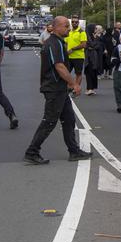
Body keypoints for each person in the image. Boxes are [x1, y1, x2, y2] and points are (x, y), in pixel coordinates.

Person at [24, 16, 92, 165]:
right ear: (55, 27)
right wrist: (74, 83)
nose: (68, 28)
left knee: (68, 120)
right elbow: (59, 66)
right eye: (66, 26)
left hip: (59, 88)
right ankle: (32, 151)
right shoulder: (54, 43)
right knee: (49, 121)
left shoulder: (59, 42)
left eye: (68, 26)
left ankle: (74, 151)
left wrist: (67, 84)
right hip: (54, 88)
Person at [65, 16, 87, 88]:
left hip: (78, 56)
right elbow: (65, 43)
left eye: (76, 22)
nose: (74, 23)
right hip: (69, 56)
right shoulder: (69, 32)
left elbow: (83, 44)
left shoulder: (81, 32)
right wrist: (65, 51)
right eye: (73, 22)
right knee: (66, 73)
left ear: (78, 23)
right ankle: (69, 86)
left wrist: (73, 49)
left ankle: (76, 88)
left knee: (78, 74)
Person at [83, 24, 103, 95]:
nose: (96, 30)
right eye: (94, 28)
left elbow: (98, 45)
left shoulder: (95, 36)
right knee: (89, 72)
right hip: (88, 57)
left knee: (94, 72)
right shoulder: (86, 36)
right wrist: (93, 46)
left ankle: (92, 88)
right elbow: (89, 45)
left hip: (95, 56)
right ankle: (89, 88)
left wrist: (93, 46)